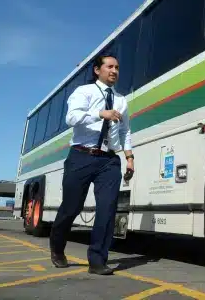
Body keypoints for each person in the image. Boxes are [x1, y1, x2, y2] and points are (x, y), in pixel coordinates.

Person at [49, 54, 135, 275]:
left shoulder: (121, 100)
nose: (114, 71)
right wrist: (100, 114)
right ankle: (57, 248)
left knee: (107, 209)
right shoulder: (84, 92)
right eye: (109, 66)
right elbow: (72, 118)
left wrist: (129, 157)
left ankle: (97, 260)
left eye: (117, 67)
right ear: (97, 70)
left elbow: (125, 131)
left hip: (109, 160)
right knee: (71, 208)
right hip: (81, 156)